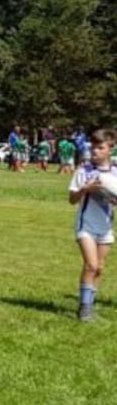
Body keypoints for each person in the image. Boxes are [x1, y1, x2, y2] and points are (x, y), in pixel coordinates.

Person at [68, 129, 117, 322]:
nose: (95, 151)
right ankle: (85, 309)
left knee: (100, 268)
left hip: (105, 227)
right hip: (85, 226)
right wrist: (85, 189)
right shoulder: (84, 171)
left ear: (110, 150)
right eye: (93, 147)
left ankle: (90, 303)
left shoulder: (114, 173)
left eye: (100, 147)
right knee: (91, 265)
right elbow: (72, 199)